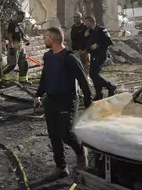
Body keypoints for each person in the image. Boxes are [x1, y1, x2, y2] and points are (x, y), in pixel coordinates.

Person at [34, 27, 92, 180]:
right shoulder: (48, 56)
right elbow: (45, 76)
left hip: (67, 101)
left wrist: (88, 100)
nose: (44, 40)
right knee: (54, 135)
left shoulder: (69, 57)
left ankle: (81, 152)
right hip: (51, 100)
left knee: (65, 133)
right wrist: (38, 95)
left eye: (45, 37)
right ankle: (61, 167)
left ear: (52, 39)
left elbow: (83, 79)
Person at [83, 16, 116, 101]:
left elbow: (109, 41)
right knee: (94, 75)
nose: (85, 24)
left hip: (100, 55)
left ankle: (110, 86)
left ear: (91, 22)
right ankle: (99, 94)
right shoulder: (89, 31)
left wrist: (98, 45)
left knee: (93, 74)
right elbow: (88, 42)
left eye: (86, 22)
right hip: (93, 55)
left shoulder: (101, 30)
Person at [2, 10, 30, 82]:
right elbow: (9, 36)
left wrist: (26, 41)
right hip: (14, 44)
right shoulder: (12, 24)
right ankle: (2, 76)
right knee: (12, 64)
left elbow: (21, 36)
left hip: (21, 45)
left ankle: (23, 79)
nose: (23, 18)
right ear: (17, 15)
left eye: (24, 16)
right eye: (22, 16)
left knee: (24, 62)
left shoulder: (20, 25)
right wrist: (11, 47)